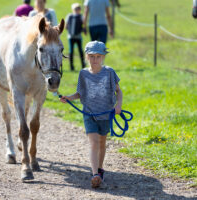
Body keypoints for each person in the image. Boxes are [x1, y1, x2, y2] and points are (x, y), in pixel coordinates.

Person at [59, 41, 123, 188]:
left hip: (106, 114)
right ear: (87, 57)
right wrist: (69, 97)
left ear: (103, 57)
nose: (95, 60)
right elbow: (80, 94)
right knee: (94, 142)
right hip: (89, 113)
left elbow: (118, 91)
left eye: (98, 57)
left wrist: (118, 105)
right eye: (92, 56)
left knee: (102, 142)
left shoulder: (110, 72)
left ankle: (100, 169)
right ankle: (94, 174)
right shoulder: (83, 74)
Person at [65, 3, 86, 71]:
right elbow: (66, 25)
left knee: (80, 51)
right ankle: (71, 66)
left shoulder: (80, 16)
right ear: (73, 9)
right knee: (71, 51)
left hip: (77, 36)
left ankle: (83, 64)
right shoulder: (70, 16)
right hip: (71, 36)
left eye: (78, 8)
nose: (77, 10)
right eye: (76, 9)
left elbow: (84, 24)